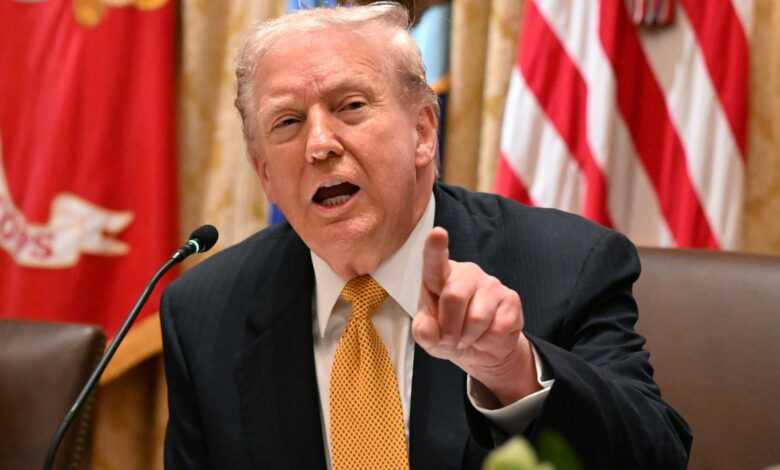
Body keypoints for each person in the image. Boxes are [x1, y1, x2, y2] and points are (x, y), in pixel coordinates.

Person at [160, 3, 691, 469]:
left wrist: (511, 369)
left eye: (351, 106)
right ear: (264, 174)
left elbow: (658, 456)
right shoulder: (204, 313)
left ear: (422, 132)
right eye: (287, 123)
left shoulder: (564, 264)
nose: (319, 144)